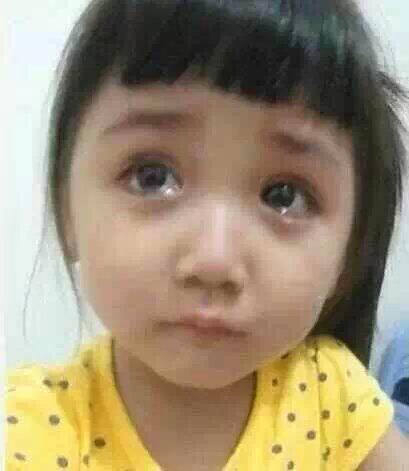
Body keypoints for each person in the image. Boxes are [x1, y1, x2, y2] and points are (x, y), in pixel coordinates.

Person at [5, 0, 409, 469]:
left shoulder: (333, 394)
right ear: (67, 208)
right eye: (151, 176)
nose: (214, 261)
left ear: (349, 253)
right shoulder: (29, 427)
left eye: (285, 196)